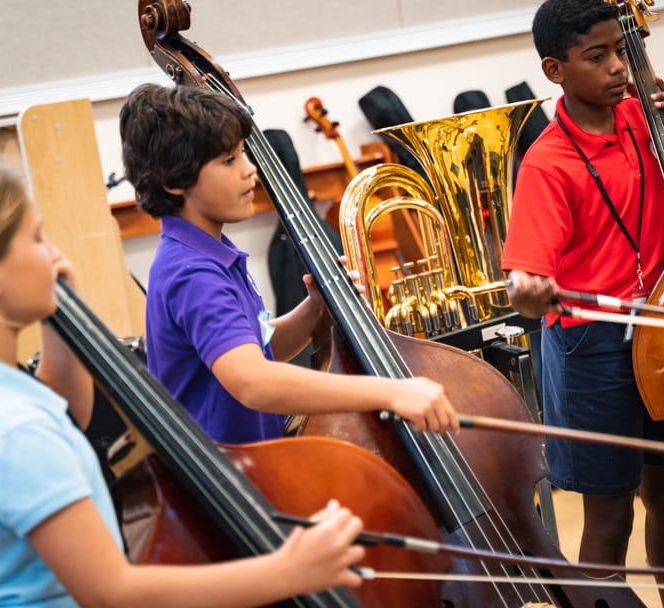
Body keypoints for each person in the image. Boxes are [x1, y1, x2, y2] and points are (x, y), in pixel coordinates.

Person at [0, 156, 367, 607]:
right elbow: (114, 592)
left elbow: (67, 410)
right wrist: (288, 570)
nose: (55, 253)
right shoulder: (9, 430)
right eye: (37, 238)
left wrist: (61, 320)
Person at [501, 1, 664, 607]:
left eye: (620, 51)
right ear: (555, 69)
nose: (619, 67)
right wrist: (527, 289)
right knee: (608, 518)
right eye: (597, 57)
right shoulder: (548, 163)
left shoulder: (645, 118)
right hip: (593, 347)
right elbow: (527, 282)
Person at [118, 83, 458, 445]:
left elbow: (254, 350)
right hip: (234, 482)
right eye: (229, 160)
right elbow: (252, 381)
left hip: (259, 463)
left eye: (244, 155)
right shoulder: (193, 273)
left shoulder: (207, 251)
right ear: (174, 181)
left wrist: (313, 311)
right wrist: (389, 392)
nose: (251, 171)